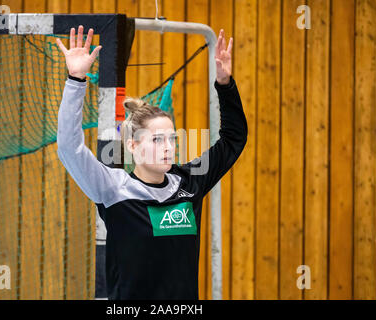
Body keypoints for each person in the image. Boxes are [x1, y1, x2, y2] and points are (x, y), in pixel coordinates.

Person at [56, 25, 248, 300]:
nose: (168, 147)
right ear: (133, 146)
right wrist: (76, 79)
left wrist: (225, 84)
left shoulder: (191, 181)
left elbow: (233, 137)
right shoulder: (112, 189)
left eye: (172, 139)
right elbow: (69, 148)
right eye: (157, 140)